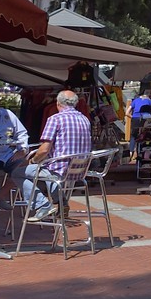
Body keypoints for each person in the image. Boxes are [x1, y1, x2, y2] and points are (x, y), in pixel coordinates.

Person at [21, 89, 93, 220]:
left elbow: (44, 150)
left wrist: (32, 161)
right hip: (80, 171)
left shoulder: (55, 119)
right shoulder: (85, 120)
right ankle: (60, 201)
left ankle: (43, 205)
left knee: (18, 172)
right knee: (38, 174)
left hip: (59, 171)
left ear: (58, 103)